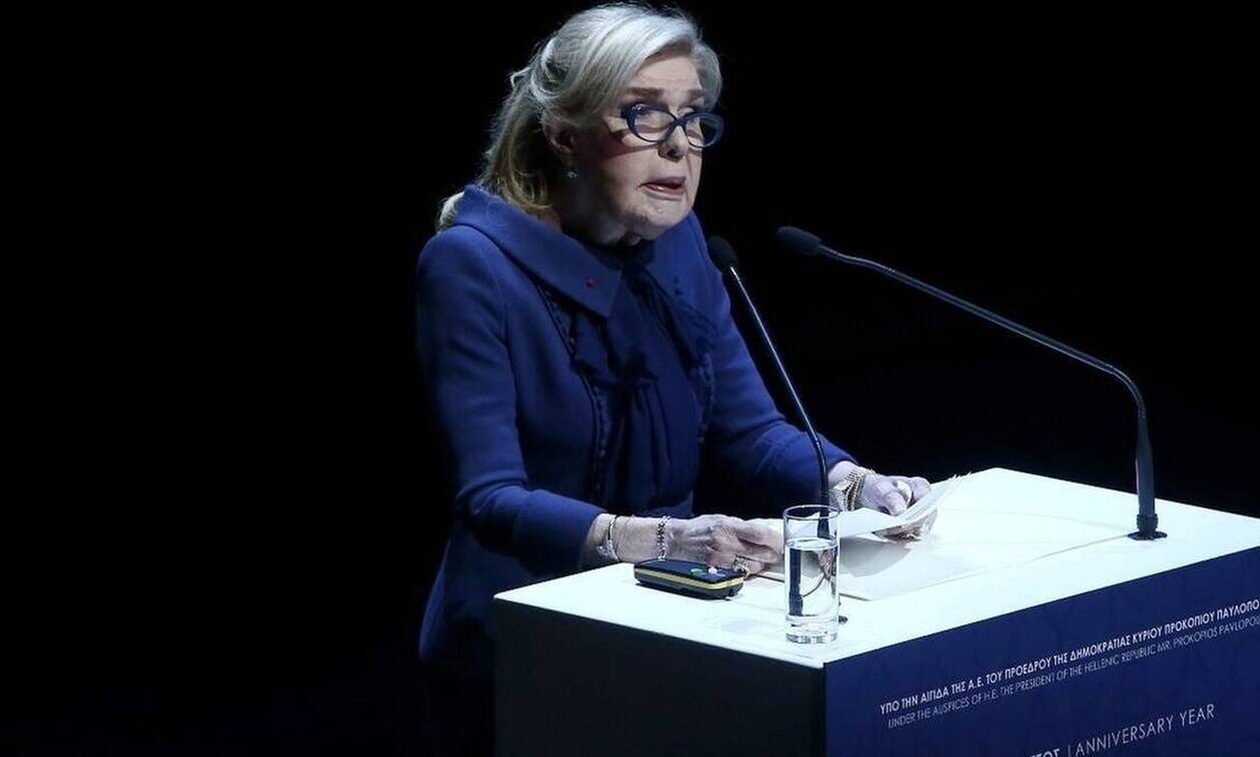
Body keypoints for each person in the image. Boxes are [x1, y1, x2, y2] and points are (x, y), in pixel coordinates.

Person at [414, 4, 930, 753]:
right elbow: (490, 498)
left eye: (692, 117)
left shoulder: (682, 241)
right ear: (564, 133)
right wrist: (663, 539)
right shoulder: (471, 264)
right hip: (517, 643)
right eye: (645, 114)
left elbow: (752, 432)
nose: (680, 145)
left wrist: (854, 484)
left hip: (667, 625)